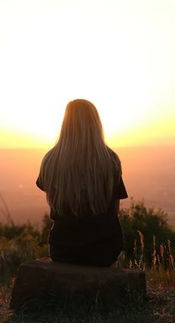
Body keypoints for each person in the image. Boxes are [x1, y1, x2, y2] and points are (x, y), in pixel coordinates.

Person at [36, 99, 128, 267]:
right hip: (104, 250)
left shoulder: (50, 160)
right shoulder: (110, 160)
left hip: (63, 250)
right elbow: (114, 212)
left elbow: (53, 200)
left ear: (65, 124)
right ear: (95, 124)